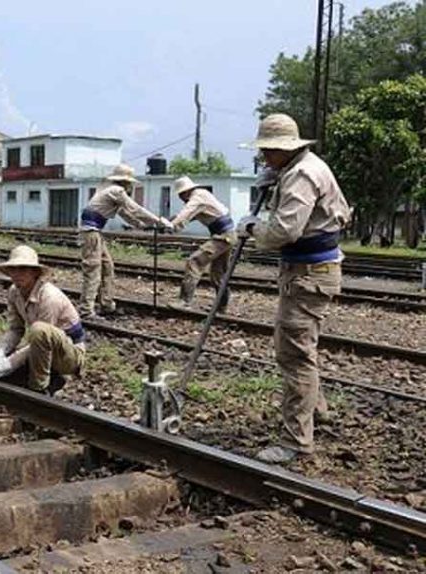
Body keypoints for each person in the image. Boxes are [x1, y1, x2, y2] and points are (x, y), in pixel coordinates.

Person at [237, 113, 351, 464]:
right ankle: (317, 411)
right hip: (311, 271)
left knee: (294, 354)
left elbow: (285, 231)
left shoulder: (300, 175)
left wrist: (253, 228)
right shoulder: (301, 167)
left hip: (308, 273)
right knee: (302, 348)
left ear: (283, 149)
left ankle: (296, 441)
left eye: (269, 152)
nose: (265, 158)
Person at [0, 245, 87, 395]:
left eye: (23, 269)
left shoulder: (49, 297)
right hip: (42, 349)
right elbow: (16, 328)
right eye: (13, 269)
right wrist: (1, 350)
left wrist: (6, 364)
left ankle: (39, 387)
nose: (17, 274)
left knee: (39, 330)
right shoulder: (14, 292)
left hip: (68, 355)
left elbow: (42, 336)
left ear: (34, 272)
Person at [78, 163, 172, 317]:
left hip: (94, 232)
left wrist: (141, 226)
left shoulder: (107, 190)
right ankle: (86, 310)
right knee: (93, 271)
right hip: (91, 232)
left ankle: (107, 304)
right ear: (125, 182)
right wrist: (159, 221)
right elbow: (135, 209)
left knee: (107, 267)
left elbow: (125, 213)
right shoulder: (116, 191)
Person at [166, 176, 236, 310]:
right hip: (228, 234)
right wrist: (170, 221)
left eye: (180, 195)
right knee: (218, 273)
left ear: (184, 192)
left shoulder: (196, 198)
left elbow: (185, 215)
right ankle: (221, 306)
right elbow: (188, 216)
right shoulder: (202, 195)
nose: (181, 198)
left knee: (194, 261)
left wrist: (171, 226)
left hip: (222, 236)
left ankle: (184, 301)